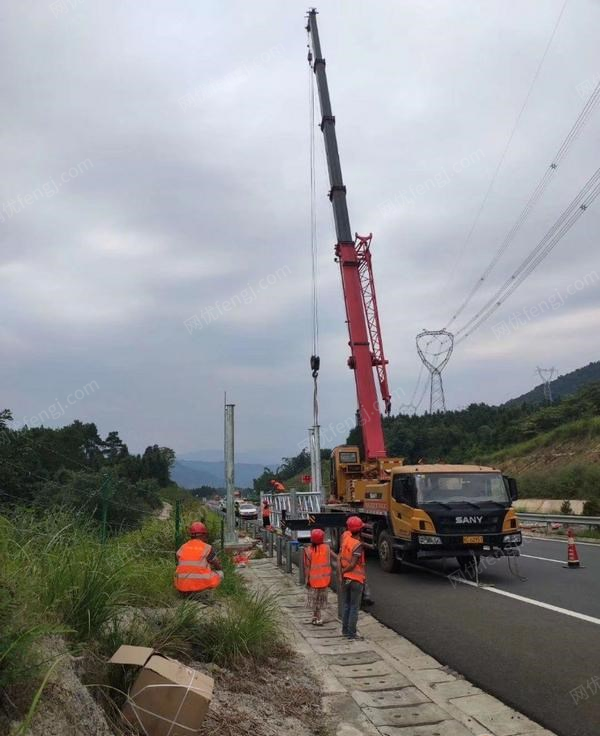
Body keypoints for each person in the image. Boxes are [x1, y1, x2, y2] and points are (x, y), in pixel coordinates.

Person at [174, 521, 223, 594]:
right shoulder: (207, 548)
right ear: (203, 535)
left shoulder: (182, 547)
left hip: (181, 588)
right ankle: (208, 592)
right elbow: (217, 566)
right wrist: (218, 567)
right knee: (220, 573)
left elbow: (180, 562)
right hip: (200, 588)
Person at [340, 516, 366, 640]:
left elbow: (341, 558)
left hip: (346, 579)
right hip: (355, 579)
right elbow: (353, 564)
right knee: (354, 607)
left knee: (346, 605)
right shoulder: (357, 545)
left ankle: (345, 631)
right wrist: (344, 571)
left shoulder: (346, 541)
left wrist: (341, 573)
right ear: (360, 530)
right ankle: (351, 634)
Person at [304, 528, 332, 626]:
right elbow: (331, 558)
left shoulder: (308, 551)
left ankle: (316, 617)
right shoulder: (327, 548)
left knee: (314, 600)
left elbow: (307, 567)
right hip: (324, 580)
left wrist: (307, 579)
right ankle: (317, 618)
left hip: (313, 581)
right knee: (321, 600)